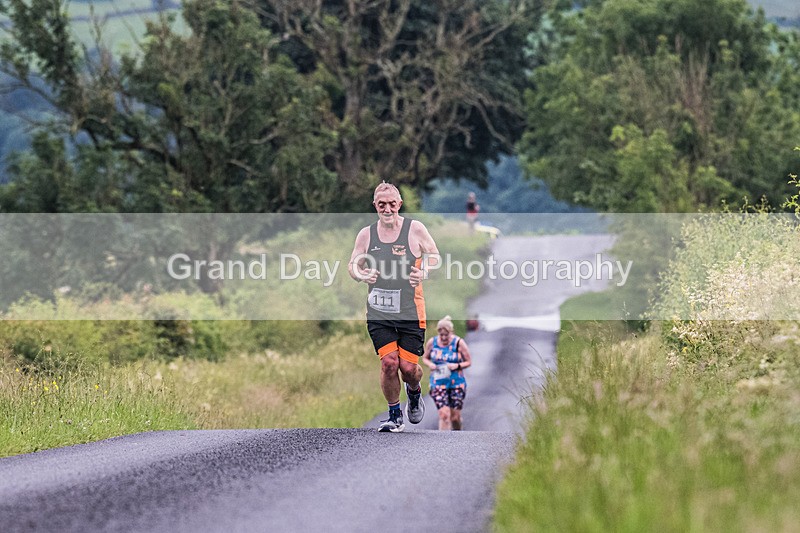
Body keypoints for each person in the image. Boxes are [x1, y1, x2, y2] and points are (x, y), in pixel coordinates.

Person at [349, 182, 440, 433]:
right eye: (381, 204)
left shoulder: (415, 229)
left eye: (391, 204)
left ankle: (414, 391)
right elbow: (353, 264)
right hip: (379, 311)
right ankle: (394, 415)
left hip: (410, 310)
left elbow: (434, 256)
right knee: (389, 363)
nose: (387, 209)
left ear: (399, 204)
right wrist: (362, 274)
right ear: (375, 206)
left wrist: (423, 270)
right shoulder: (366, 234)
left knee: (408, 369)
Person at [422, 315, 472, 430]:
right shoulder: (432, 342)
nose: (444, 338)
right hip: (438, 382)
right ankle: (442, 444)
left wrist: (457, 365)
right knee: (444, 415)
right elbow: (425, 358)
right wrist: (431, 365)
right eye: (441, 335)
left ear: (451, 332)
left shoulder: (459, 343)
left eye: (446, 335)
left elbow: (469, 362)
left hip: (456, 382)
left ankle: (457, 436)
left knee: (455, 417)